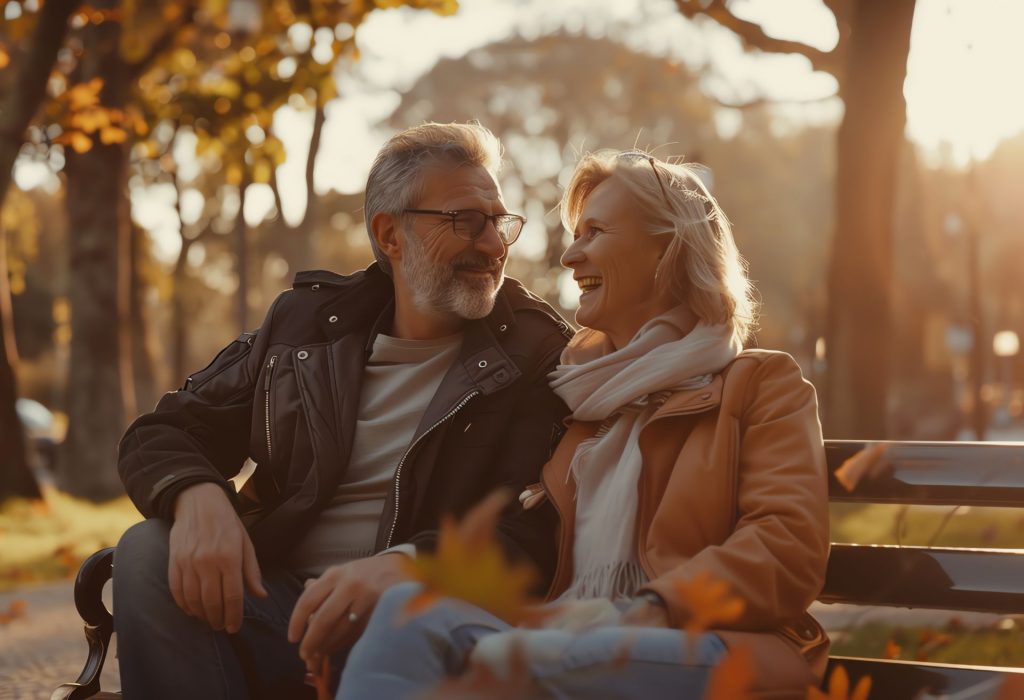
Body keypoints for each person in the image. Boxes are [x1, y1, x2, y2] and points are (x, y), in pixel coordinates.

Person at [338, 149, 830, 699]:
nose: (571, 256)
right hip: (568, 635)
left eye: (593, 232)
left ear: (666, 248)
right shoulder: (578, 403)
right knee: (407, 613)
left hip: (711, 644)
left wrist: (650, 608)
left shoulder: (759, 386)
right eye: (576, 234)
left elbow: (784, 546)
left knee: (510, 662)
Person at [112, 122, 573, 699]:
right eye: (466, 221)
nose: (493, 244)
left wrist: (409, 566)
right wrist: (197, 496)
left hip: (420, 627)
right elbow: (164, 431)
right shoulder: (305, 326)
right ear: (391, 234)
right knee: (146, 551)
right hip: (281, 610)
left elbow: (533, 530)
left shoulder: (535, 352)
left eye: (500, 221)